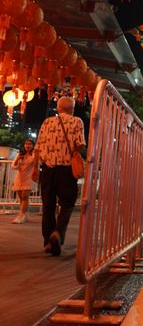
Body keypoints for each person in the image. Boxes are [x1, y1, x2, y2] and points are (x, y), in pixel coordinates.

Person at [34, 96, 86, 256]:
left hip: (48, 170)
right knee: (68, 203)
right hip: (66, 171)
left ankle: (48, 240)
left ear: (58, 108)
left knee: (48, 206)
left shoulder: (47, 122)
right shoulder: (77, 121)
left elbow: (37, 147)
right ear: (72, 109)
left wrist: (36, 169)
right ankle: (57, 233)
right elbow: (80, 145)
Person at [11, 139, 36, 224]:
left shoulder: (34, 154)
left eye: (29, 144)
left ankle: (20, 216)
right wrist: (18, 158)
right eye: (26, 144)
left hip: (29, 178)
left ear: (33, 145)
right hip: (20, 177)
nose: (27, 145)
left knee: (25, 197)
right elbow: (13, 166)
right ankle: (25, 214)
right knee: (21, 198)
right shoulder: (20, 154)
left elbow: (37, 162)